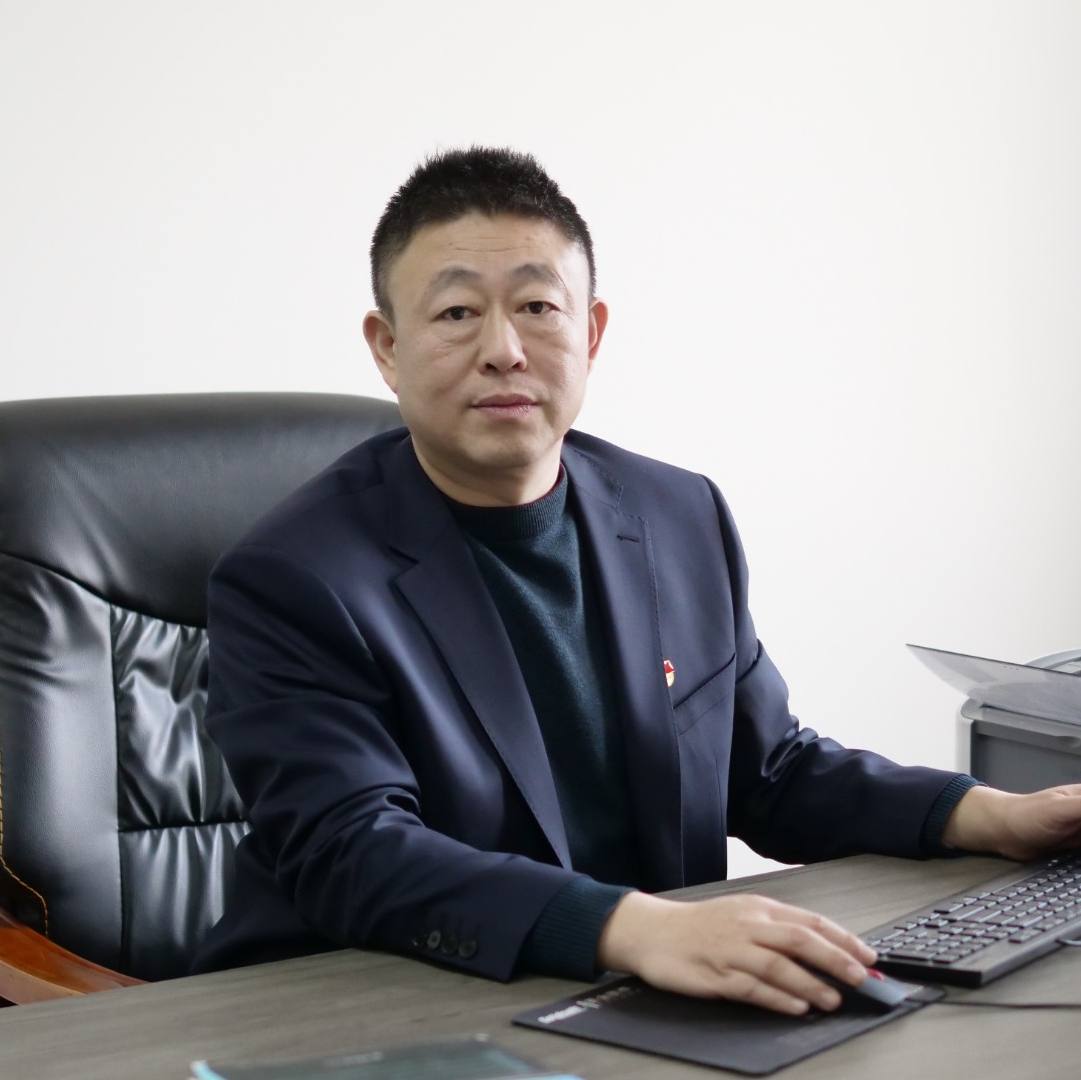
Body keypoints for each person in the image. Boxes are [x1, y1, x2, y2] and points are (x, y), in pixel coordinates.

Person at [192, 146, 1081, 1016]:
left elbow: (766, 769)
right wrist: (629, 927)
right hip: (368, 1011)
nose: (503, 349)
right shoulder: (294, 577)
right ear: (387, 348)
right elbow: (352, 852)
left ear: (590, 333)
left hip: (632, 999)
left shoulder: (677, 514)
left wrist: (988, 815)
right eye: (457, 312)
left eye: (537, 306)